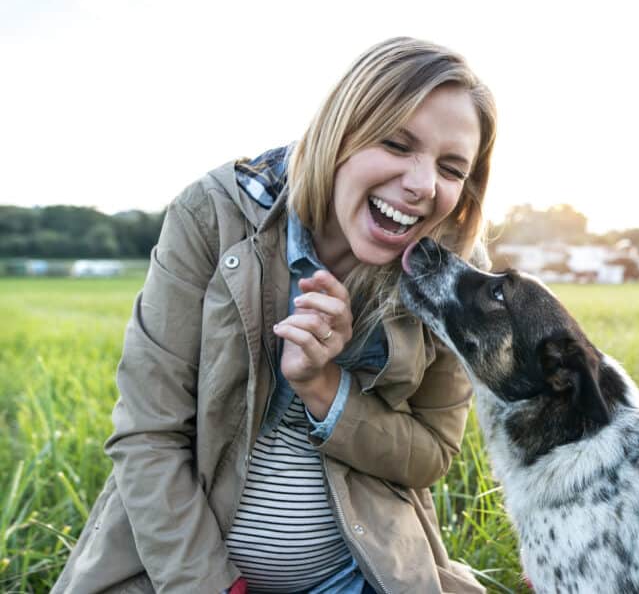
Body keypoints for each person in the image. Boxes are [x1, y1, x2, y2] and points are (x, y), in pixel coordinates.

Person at [53, 37, 496, 594]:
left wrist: (325, 389)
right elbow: (148, 434)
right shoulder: (213, 213)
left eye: (451, 168)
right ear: (341, 130)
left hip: (359, 575)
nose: (422, 184)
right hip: (182, 577)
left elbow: (429, 454)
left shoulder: (453, 272)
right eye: (396, 143)